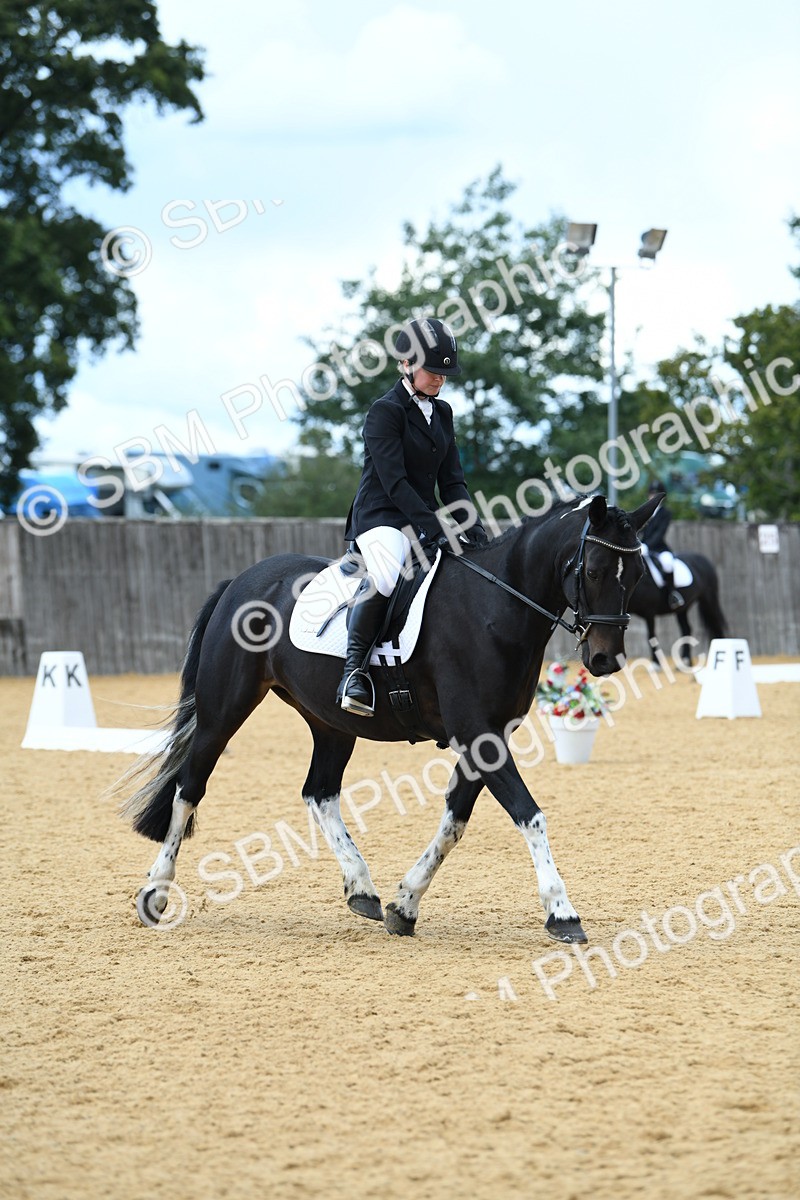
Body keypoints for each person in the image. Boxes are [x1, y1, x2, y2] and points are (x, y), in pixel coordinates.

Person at [337, 317, 488, 716]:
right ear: (406, 364)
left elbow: (453, 481)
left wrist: (473, 526)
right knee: (388, 576)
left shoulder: (443, 413)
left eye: (445, 372)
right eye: (433, 370)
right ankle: (353, 673)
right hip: (381, 517)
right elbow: (395, 483)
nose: (440, 378)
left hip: (421, 517)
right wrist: (436, 526)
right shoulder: (384, 412)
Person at [642, 480, 684, 611]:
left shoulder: (665, 513)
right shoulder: (645, 511)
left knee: (667, 563)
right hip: (643, 547)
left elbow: (660, 533)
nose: (653, 497)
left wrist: (647, 545)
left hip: (659, 548)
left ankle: (673, 594)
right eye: (652, 494)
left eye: (657, 494)